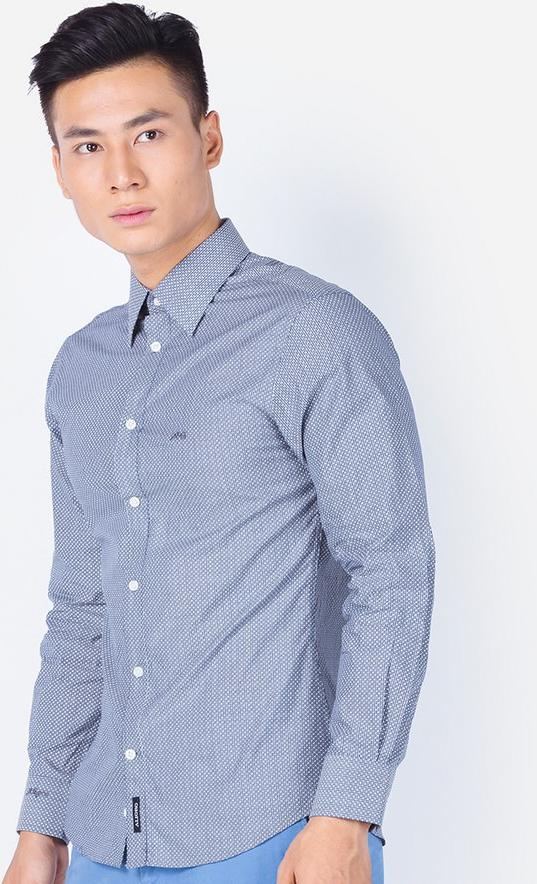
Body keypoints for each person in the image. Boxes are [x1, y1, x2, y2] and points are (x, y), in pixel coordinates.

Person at [3, 4, 435, 883]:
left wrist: (345, 816)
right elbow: (81, 608)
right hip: (99, 842)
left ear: (208, 138)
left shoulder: (314, 331)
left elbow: (391, 573)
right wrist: (41, 824)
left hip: (274, 836)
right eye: (87, 146)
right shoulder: (80, 369)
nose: (121, 174)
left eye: (148, 133)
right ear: (59, 171)